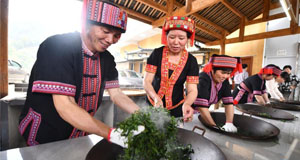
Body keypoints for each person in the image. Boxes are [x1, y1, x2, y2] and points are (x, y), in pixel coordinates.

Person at [18, 0, 144, 147]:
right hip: (45, 132)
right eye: (105, 31)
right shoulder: (57, 46)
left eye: (116, 35)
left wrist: (144, 115)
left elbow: (116, 94)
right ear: (86, 25)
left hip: (79, 132)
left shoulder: (107, 59)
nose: (110, 40)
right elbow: (65, 105)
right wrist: (111, 134)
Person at [143, 16, 199, 122]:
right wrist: (156, 98)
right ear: (166, 36)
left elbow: (192, 90)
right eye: (172, 37)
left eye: (181, 38)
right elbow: (147, 81)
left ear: (187, 39)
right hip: (152, 102)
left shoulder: (192, 61)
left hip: (177, 106)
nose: (176, 42)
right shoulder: (157, 54)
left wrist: (187, 104)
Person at [193, 54, 242, 133]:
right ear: (212, 69)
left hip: (202, 114)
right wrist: (215, 127)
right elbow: (201, 107)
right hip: (189, 113)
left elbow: (229, 103)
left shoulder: (224, 81)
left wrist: (229, 122)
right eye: (223, 72)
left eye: (228, 73)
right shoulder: (203, 79)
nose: (225, 76)